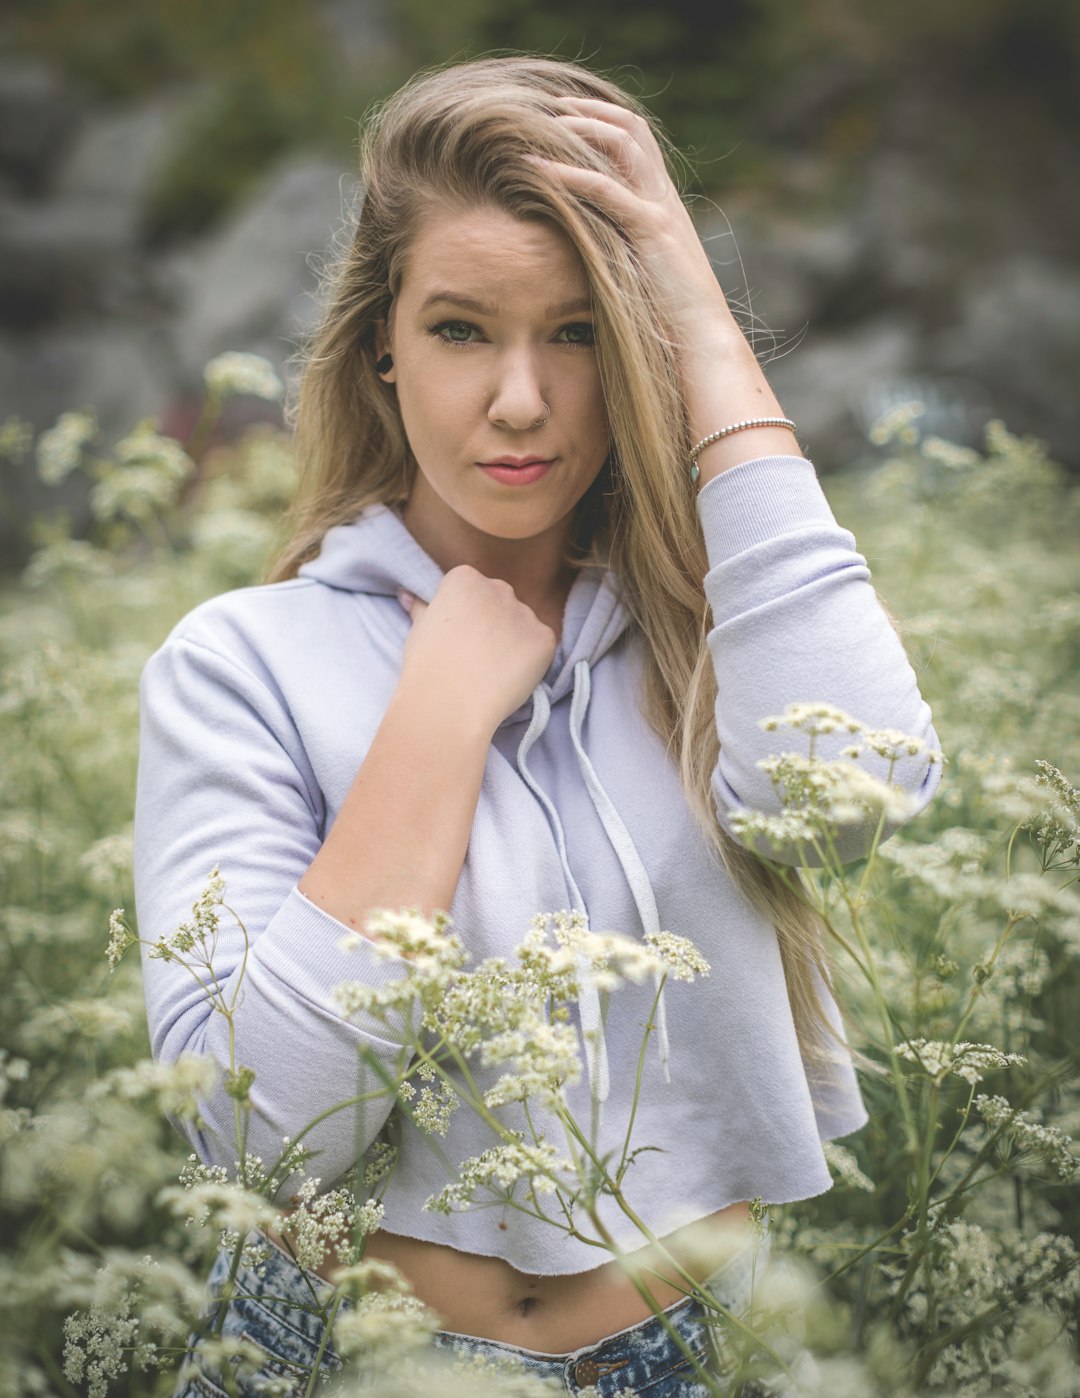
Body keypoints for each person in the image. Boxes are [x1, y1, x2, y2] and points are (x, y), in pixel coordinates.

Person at [135, 54, 941, 1397]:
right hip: (339, 1357)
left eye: (575, 333)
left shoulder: (708, 634)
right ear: (382, 342)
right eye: (461, 329)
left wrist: (694, 304)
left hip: (685, 1357)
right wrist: (437, 714)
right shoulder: (240, 662)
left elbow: (856, 792)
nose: (521, 399)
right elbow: (257, 1141)